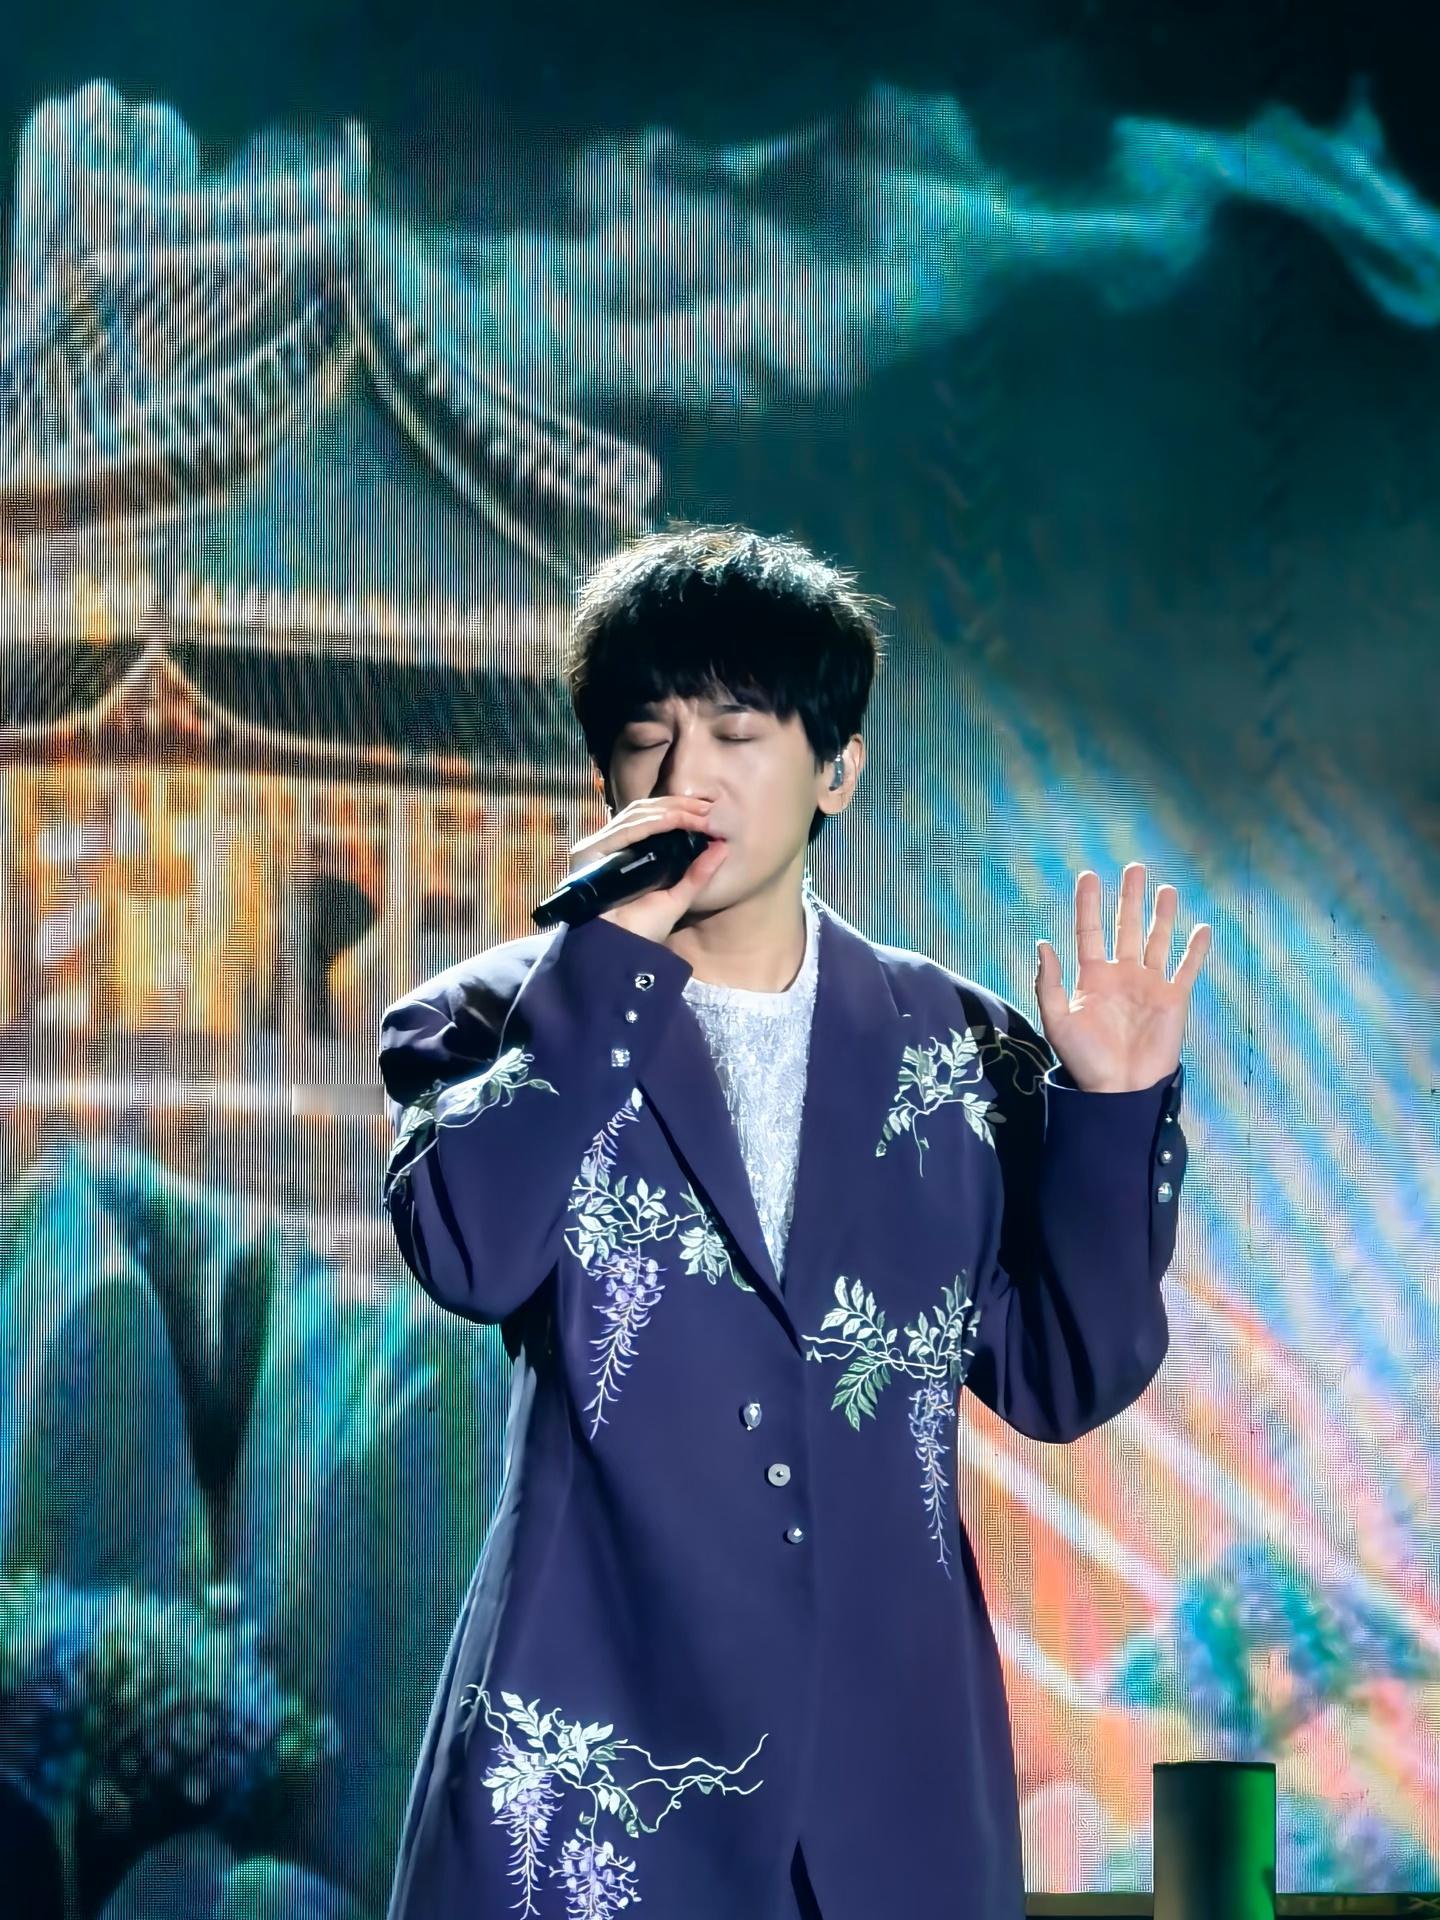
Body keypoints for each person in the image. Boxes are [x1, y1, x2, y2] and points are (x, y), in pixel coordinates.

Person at [377, 522, 1212, 1920]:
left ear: (837, 769)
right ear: (603, 775)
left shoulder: (958, 1050)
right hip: (596, 1788)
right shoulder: (489, 1019)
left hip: (889, 1802)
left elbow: (1065, 1376)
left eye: (736, 733)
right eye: (646, 738)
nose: (685, 778)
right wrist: (603, 966)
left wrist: (1113, 1113)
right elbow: (472, 1252)